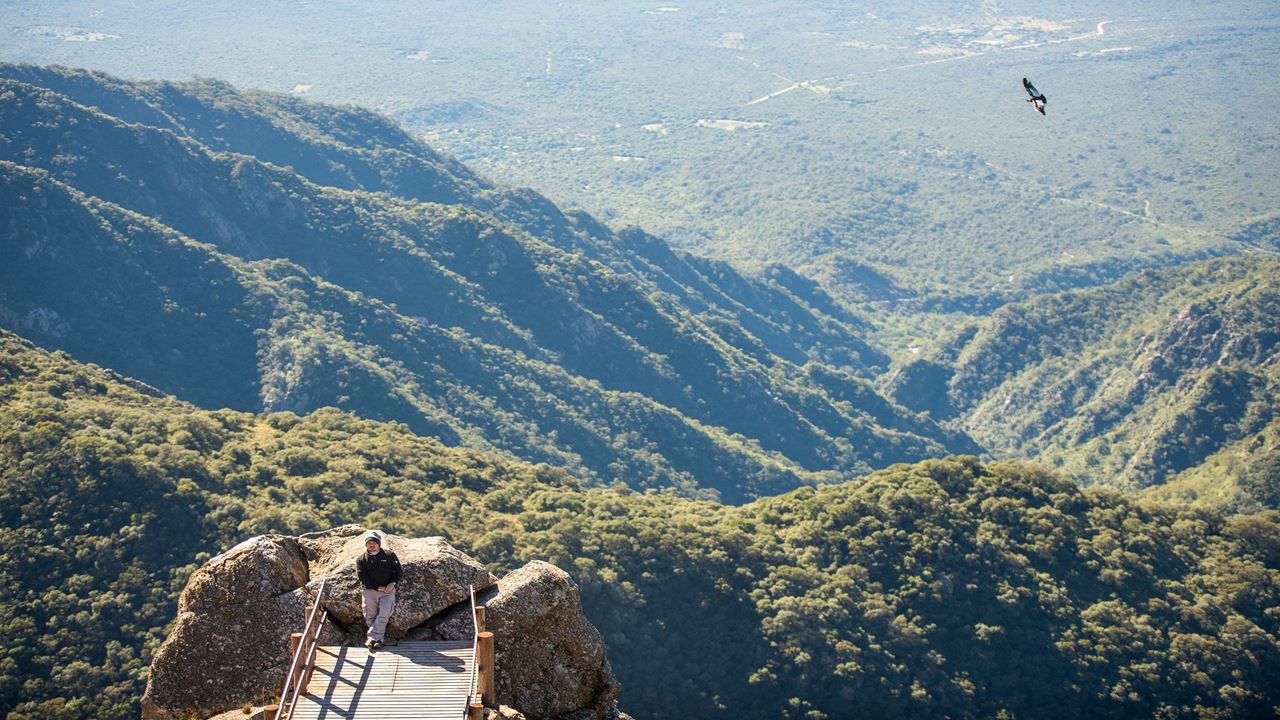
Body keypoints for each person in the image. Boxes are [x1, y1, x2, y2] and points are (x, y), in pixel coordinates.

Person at [356, 530, 401, 650]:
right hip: (369, 590)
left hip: (387, 591)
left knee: (385, 613)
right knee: (370, 615)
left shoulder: (389, 555)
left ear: (379, 544)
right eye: (369, 543)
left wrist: (392, 583)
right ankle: (377, 640)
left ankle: (372, 638)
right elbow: (362, 576)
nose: (372, 545)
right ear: (366, 544)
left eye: (374, 542)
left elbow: (398, 571)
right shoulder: (361, 559)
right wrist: (376, 587)